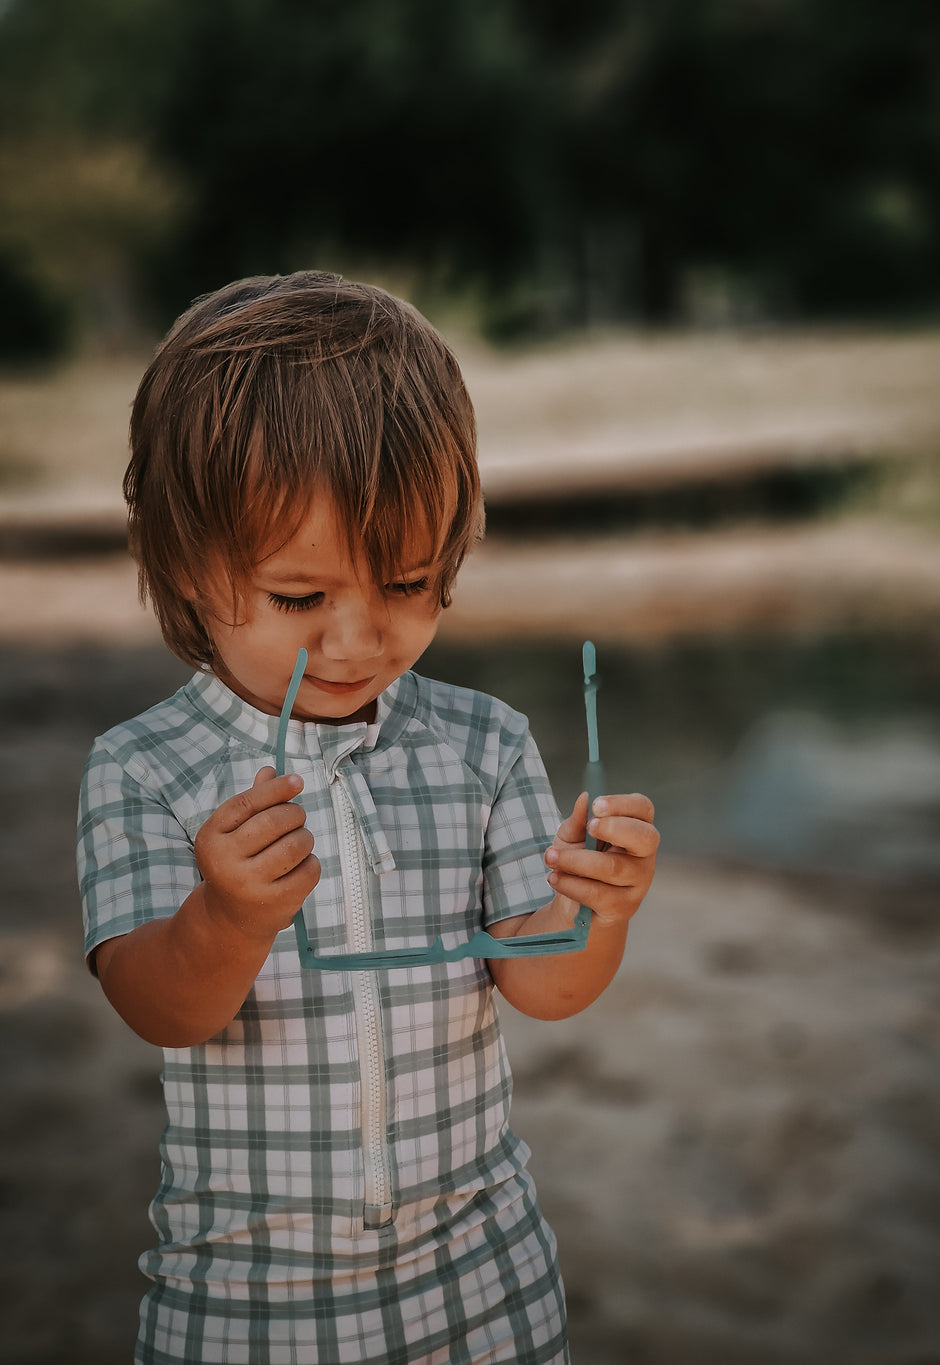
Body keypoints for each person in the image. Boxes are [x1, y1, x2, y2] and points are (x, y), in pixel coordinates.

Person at [76, 271, 660, 1365]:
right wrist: (226, 918)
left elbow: (544, 985)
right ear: (189, 566)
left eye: (409, 583)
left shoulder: (481, 744)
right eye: (302, 599)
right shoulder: (145, 767)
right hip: (251, 1302)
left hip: (484, 1280)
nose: (357, 643)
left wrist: (596, 912)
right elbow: (161, 1010)